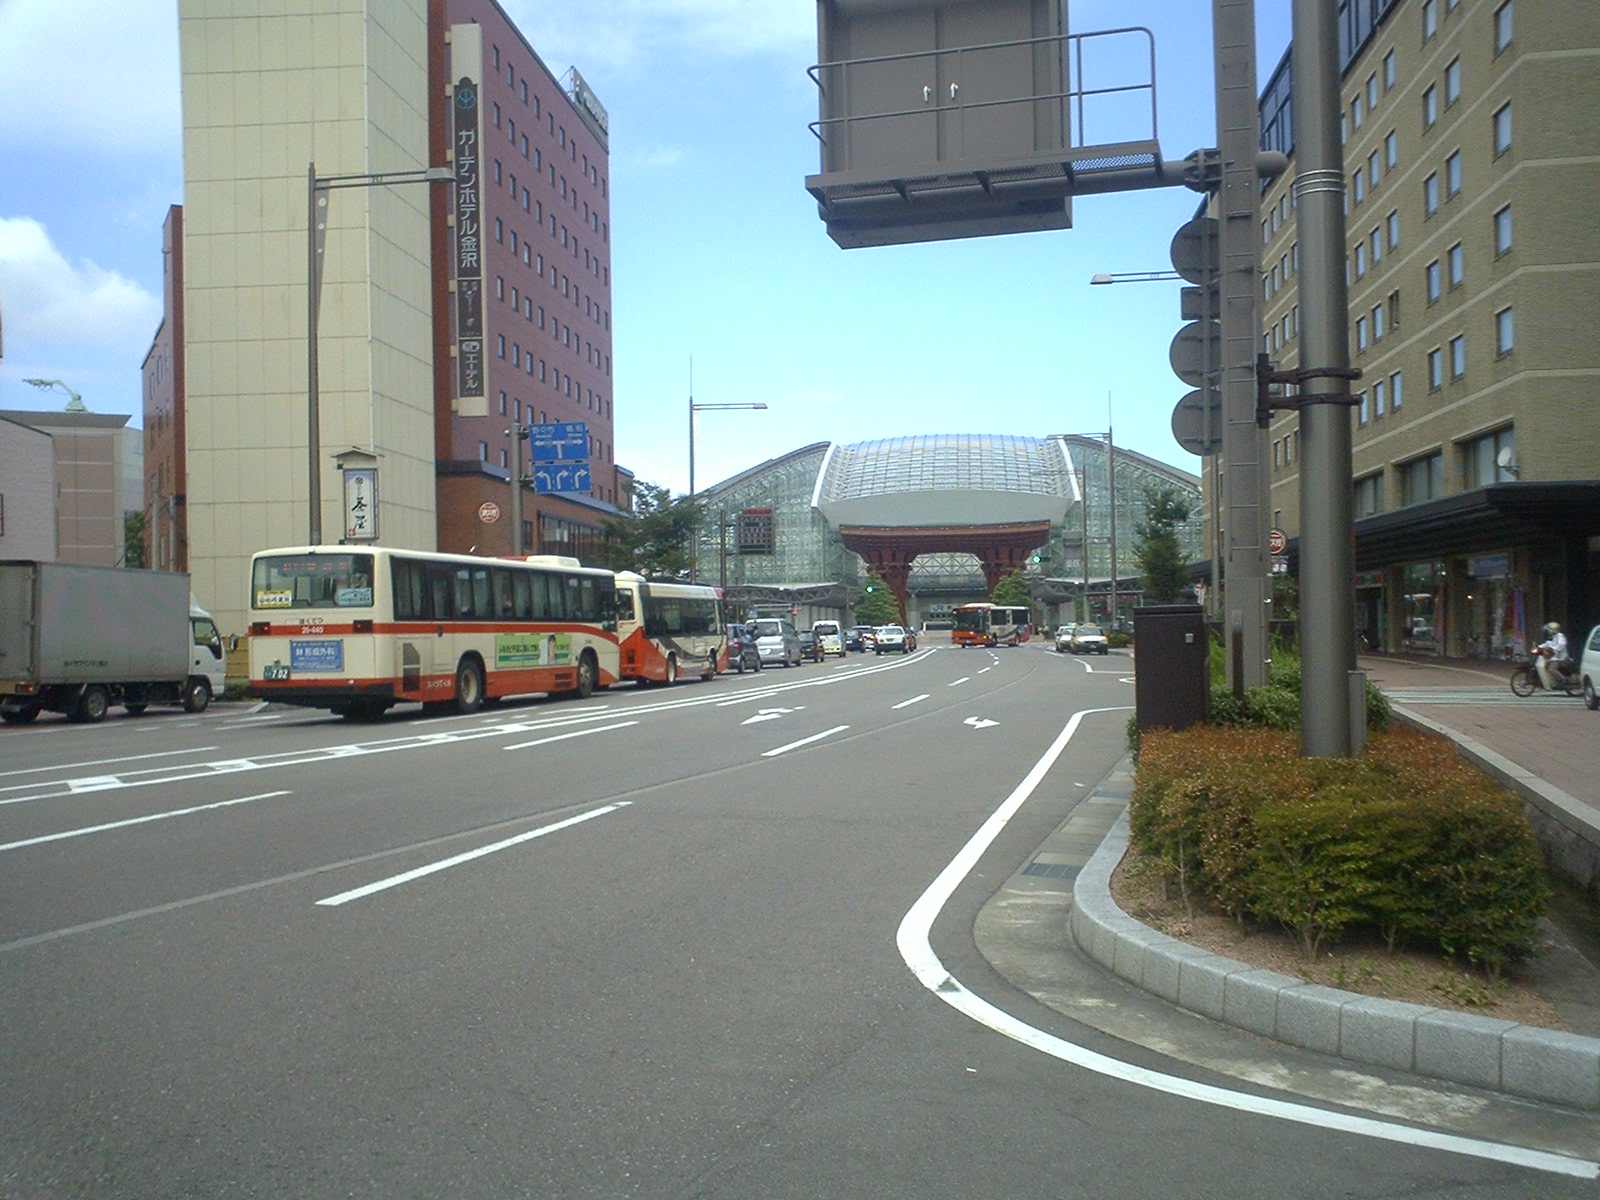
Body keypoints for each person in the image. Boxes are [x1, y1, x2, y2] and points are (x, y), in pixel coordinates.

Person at [1534, 621, 1569, 690]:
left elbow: (1561, 645)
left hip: (1560, 658)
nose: (1547, 632)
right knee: (1546, 666)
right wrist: (1539, 647)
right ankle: (1553, 682)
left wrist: (1553, 649)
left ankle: (1563, 679)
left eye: (1548, 630)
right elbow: (1548, 644)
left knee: (1551, 669)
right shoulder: (1554, 637)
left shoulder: (1560, 636)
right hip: (1554, 657)